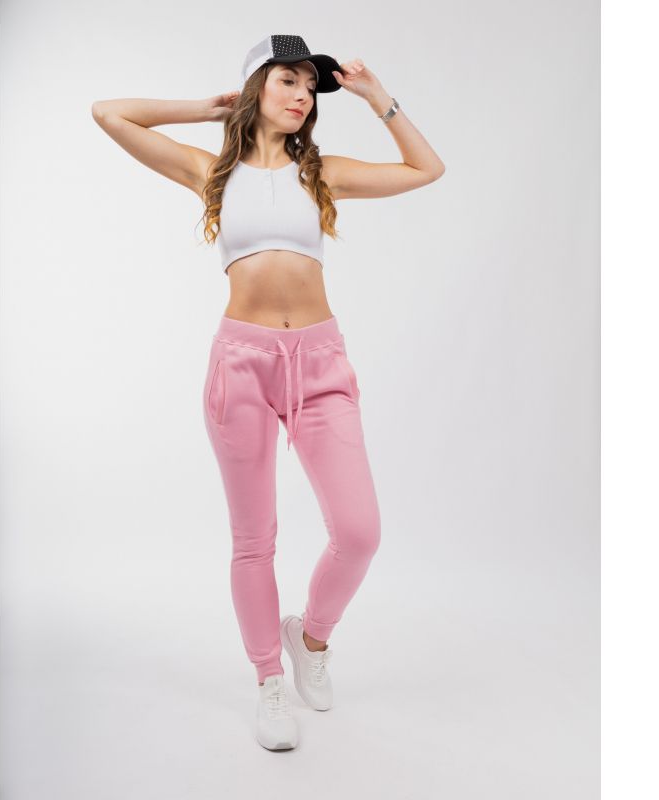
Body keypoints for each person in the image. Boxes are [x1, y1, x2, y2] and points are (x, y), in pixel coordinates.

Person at [92, 33, 445, 751]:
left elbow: (426, 168)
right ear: (256, 87)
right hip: (243, 364)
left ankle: (311, 638)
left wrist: (377, 98)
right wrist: (207, 109)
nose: (302, 96)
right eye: (287, 80)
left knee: (360, 532)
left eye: (310, 88)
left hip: (320, 364)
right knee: (255, 540)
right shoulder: (211, 173)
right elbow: (108, 113)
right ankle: (268, 682)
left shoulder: (321, 175)